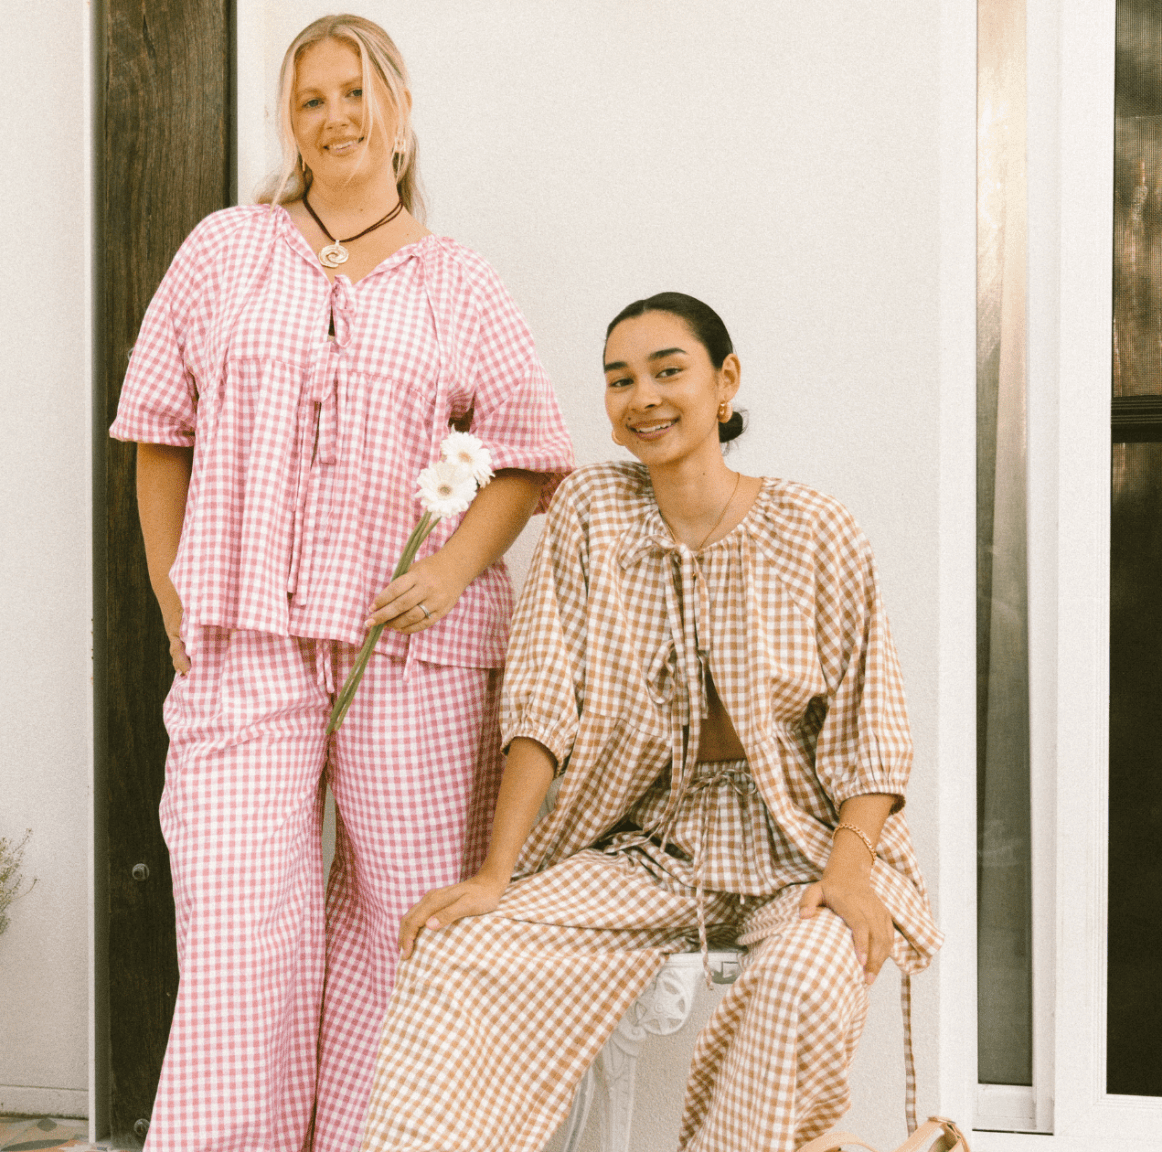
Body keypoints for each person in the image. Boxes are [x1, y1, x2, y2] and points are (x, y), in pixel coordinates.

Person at [108, 14, 574, 1152]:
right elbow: (156, 430)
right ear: (288, 121)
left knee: (402, 920)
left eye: (355, 93)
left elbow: (529, 455)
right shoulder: (224, 249)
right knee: (236, 926)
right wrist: (177, 593)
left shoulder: (458, 283)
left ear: (400, 113)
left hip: (408, 648)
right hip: (246, 637)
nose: (335, 118)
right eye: (310, 98)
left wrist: (449, 571)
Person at [358, 293, 942, 1152]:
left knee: (808, 978)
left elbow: (872, 735)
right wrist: (496, 874)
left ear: (725, 383)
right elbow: (541, 706)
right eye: (620, 381)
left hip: (803, 847)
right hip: (648, 848)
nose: (645, 398)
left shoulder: (816, 529)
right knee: (459, 951)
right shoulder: (590, 512)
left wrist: (850, 874)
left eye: (670, 371)